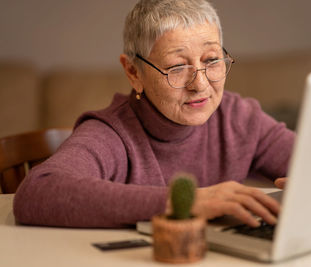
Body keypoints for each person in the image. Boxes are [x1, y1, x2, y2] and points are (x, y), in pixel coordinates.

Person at [13, 0, 295, 228]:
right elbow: (37, 193)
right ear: (134, 72)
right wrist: (189, 201)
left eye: (211, 60)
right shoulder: (111, 133)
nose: (200, 84)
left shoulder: (239, 117)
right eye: (176, 67)